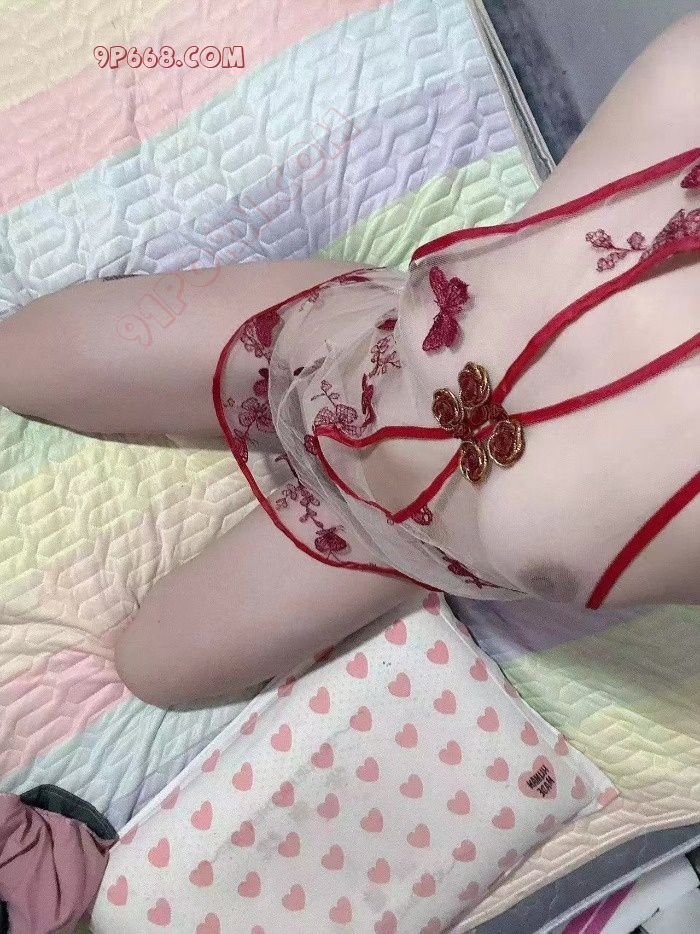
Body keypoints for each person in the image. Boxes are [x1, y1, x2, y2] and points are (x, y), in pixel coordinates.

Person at [1, 15, 697, 708]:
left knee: (153, 670)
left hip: (391, 540)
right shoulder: (685, 86)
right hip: (326, 343)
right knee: (15, 361)